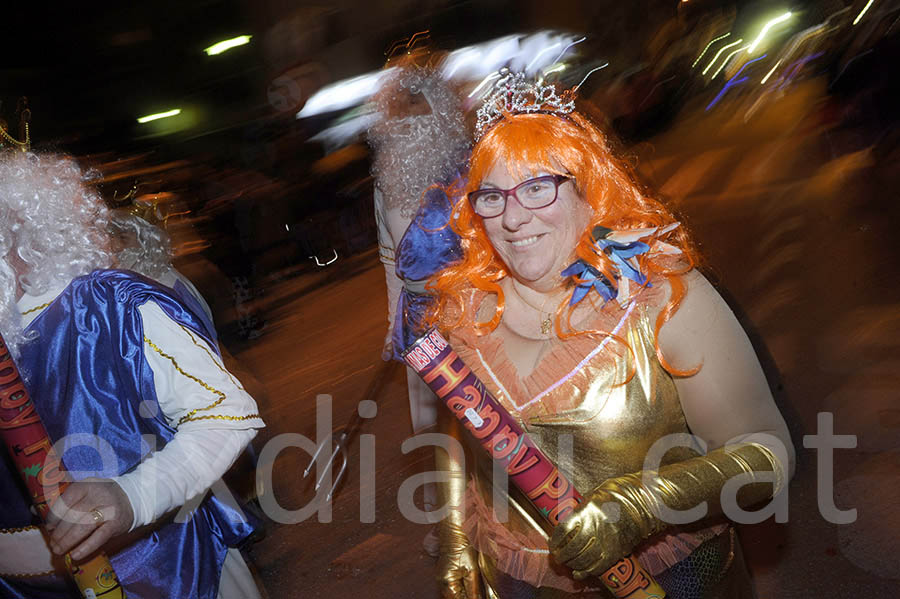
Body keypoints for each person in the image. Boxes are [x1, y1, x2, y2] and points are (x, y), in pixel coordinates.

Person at [427, 70, 795, 598]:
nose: (513, 217)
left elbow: (768, 453)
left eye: (537, 187)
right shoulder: (465, 314)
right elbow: (461, 435)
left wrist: (643, 504)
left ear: (588, 188)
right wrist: (457, 539)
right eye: (492, 196)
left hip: (673, 582)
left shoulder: (663, 299)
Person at [0, 151, 265, 599]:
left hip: (167, 570)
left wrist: (133, 497)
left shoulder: (112, 305)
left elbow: (227, 415)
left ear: (23, 229)